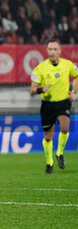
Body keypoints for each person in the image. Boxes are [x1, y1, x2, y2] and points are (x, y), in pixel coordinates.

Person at [30, 39, 78, 174]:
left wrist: (73, 91)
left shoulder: (68, 65)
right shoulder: (40, 68)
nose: (52, 52)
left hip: (63, 101)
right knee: (48, 136)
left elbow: (76, 76)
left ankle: (59, 153)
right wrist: (41, 90)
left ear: (60, 51)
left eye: (55, 49)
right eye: (50, 49)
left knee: (64, 128)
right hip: (47, 104)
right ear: (47, 51)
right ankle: (49, 162)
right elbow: (32, 89)